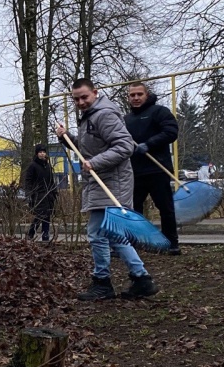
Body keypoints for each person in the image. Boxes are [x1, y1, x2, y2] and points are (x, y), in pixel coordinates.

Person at [56, 78, 159, 300]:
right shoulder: (90, 116)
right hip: (101, 181)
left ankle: (102, 282)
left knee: (97, 234)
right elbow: (89, 148)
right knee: (113, 235)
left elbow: (124, 146)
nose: (81, 102)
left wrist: (96, 163)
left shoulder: (104, 114)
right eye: (76, 99)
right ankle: (142, 279)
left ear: (95, 92)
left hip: (112, 182)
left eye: (84, 97)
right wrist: (67, 138)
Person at [124, 82, 181, 256]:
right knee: (133, 210)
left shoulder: (159, 112)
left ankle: (171, 243)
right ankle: (133, 243)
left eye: (139, 94)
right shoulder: (125, 120)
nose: (135, 98)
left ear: (146, 95)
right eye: (132, 95)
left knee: (165, 208)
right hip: (134, 172)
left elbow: (171, 131)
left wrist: (149, 144)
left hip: (158, 169)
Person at [24, 144, 58, 241]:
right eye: (40, 152)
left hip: (49, 194)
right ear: (37, 154)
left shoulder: (47, 166)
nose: (42, 154)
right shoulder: (33, 166)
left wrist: (54, 191)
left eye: (43, 152)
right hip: (38, 194)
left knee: (47, 215)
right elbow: (28, 180)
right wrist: (29, 193)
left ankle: (45, 234)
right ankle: (31, 233)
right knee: (40, 215)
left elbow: (51, 180)